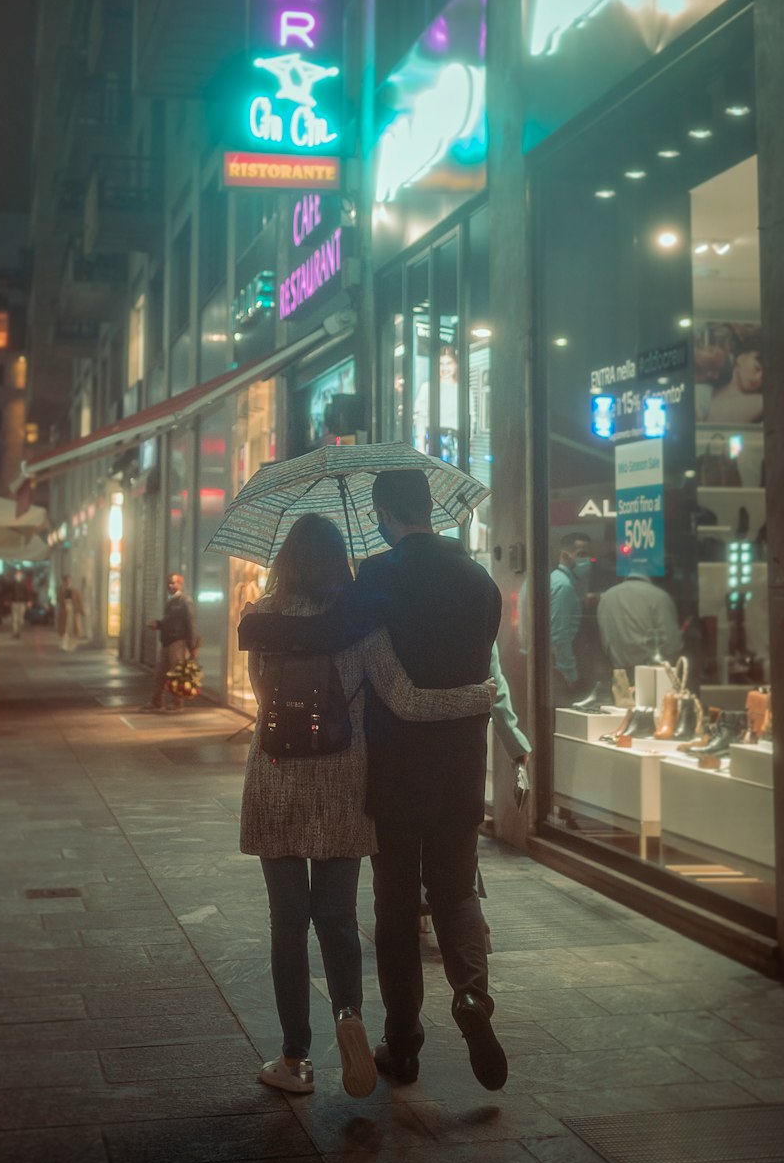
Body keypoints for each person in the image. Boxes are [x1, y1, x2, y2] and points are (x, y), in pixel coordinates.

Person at [240, 468, 505, 1092]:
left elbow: (277, 682)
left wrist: (267, 630)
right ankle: (411, 1012)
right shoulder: (468, 586)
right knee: (396, 906)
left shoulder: (314, 604)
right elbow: (414, 690)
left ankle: (340, 1052)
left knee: (326, 917)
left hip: (326, 779)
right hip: (401, 778)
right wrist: (482, 698)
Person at [597, 573, 683, 677]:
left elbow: (604, 642)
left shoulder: (606, 597)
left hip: (616, 673)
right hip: (652, 675)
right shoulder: (659, 596)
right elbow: (672, 645)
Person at [147, 573, 198, 711]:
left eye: (174, 583)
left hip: (178, 643)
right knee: (160, 673)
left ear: (180, 584)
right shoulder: (171, 602)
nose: (171, 585)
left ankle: (177, 702)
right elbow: (170, 622)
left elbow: (190, 623)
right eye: (169, 583)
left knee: (177, 674)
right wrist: (158, 624)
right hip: (167, 642)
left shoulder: (184, 601)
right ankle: (157, 701)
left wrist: (192, 645)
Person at [550, 532, 592, 699]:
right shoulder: (563, 585)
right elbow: (560, 635)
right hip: (561, 671)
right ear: (564, 555)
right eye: (581, 554)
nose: (587, 560)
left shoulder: (557, 580)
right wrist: (570, 674)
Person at [58, 576, 83, 652]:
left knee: (72, 629)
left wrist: (81, 609)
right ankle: (64, 645)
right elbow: (59, 600)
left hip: (73, 611)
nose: (68, 582)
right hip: (65, 611)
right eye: (66, 581)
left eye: (69, 580)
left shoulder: (75, 591)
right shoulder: (61, 590)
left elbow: (79, 601)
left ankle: (71, 646)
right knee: (65, 629)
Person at [9, 573, 30, 639]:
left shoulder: (24, 585)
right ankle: (15, 632)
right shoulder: (12, 584)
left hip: (22, 602)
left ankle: (18, 631)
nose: (18, 577)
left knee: (20, 619)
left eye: (19, 576)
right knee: (15, 618)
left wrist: (28, 601)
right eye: (17, 576)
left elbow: (27, 593)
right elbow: (9, 592)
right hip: (14, 602)